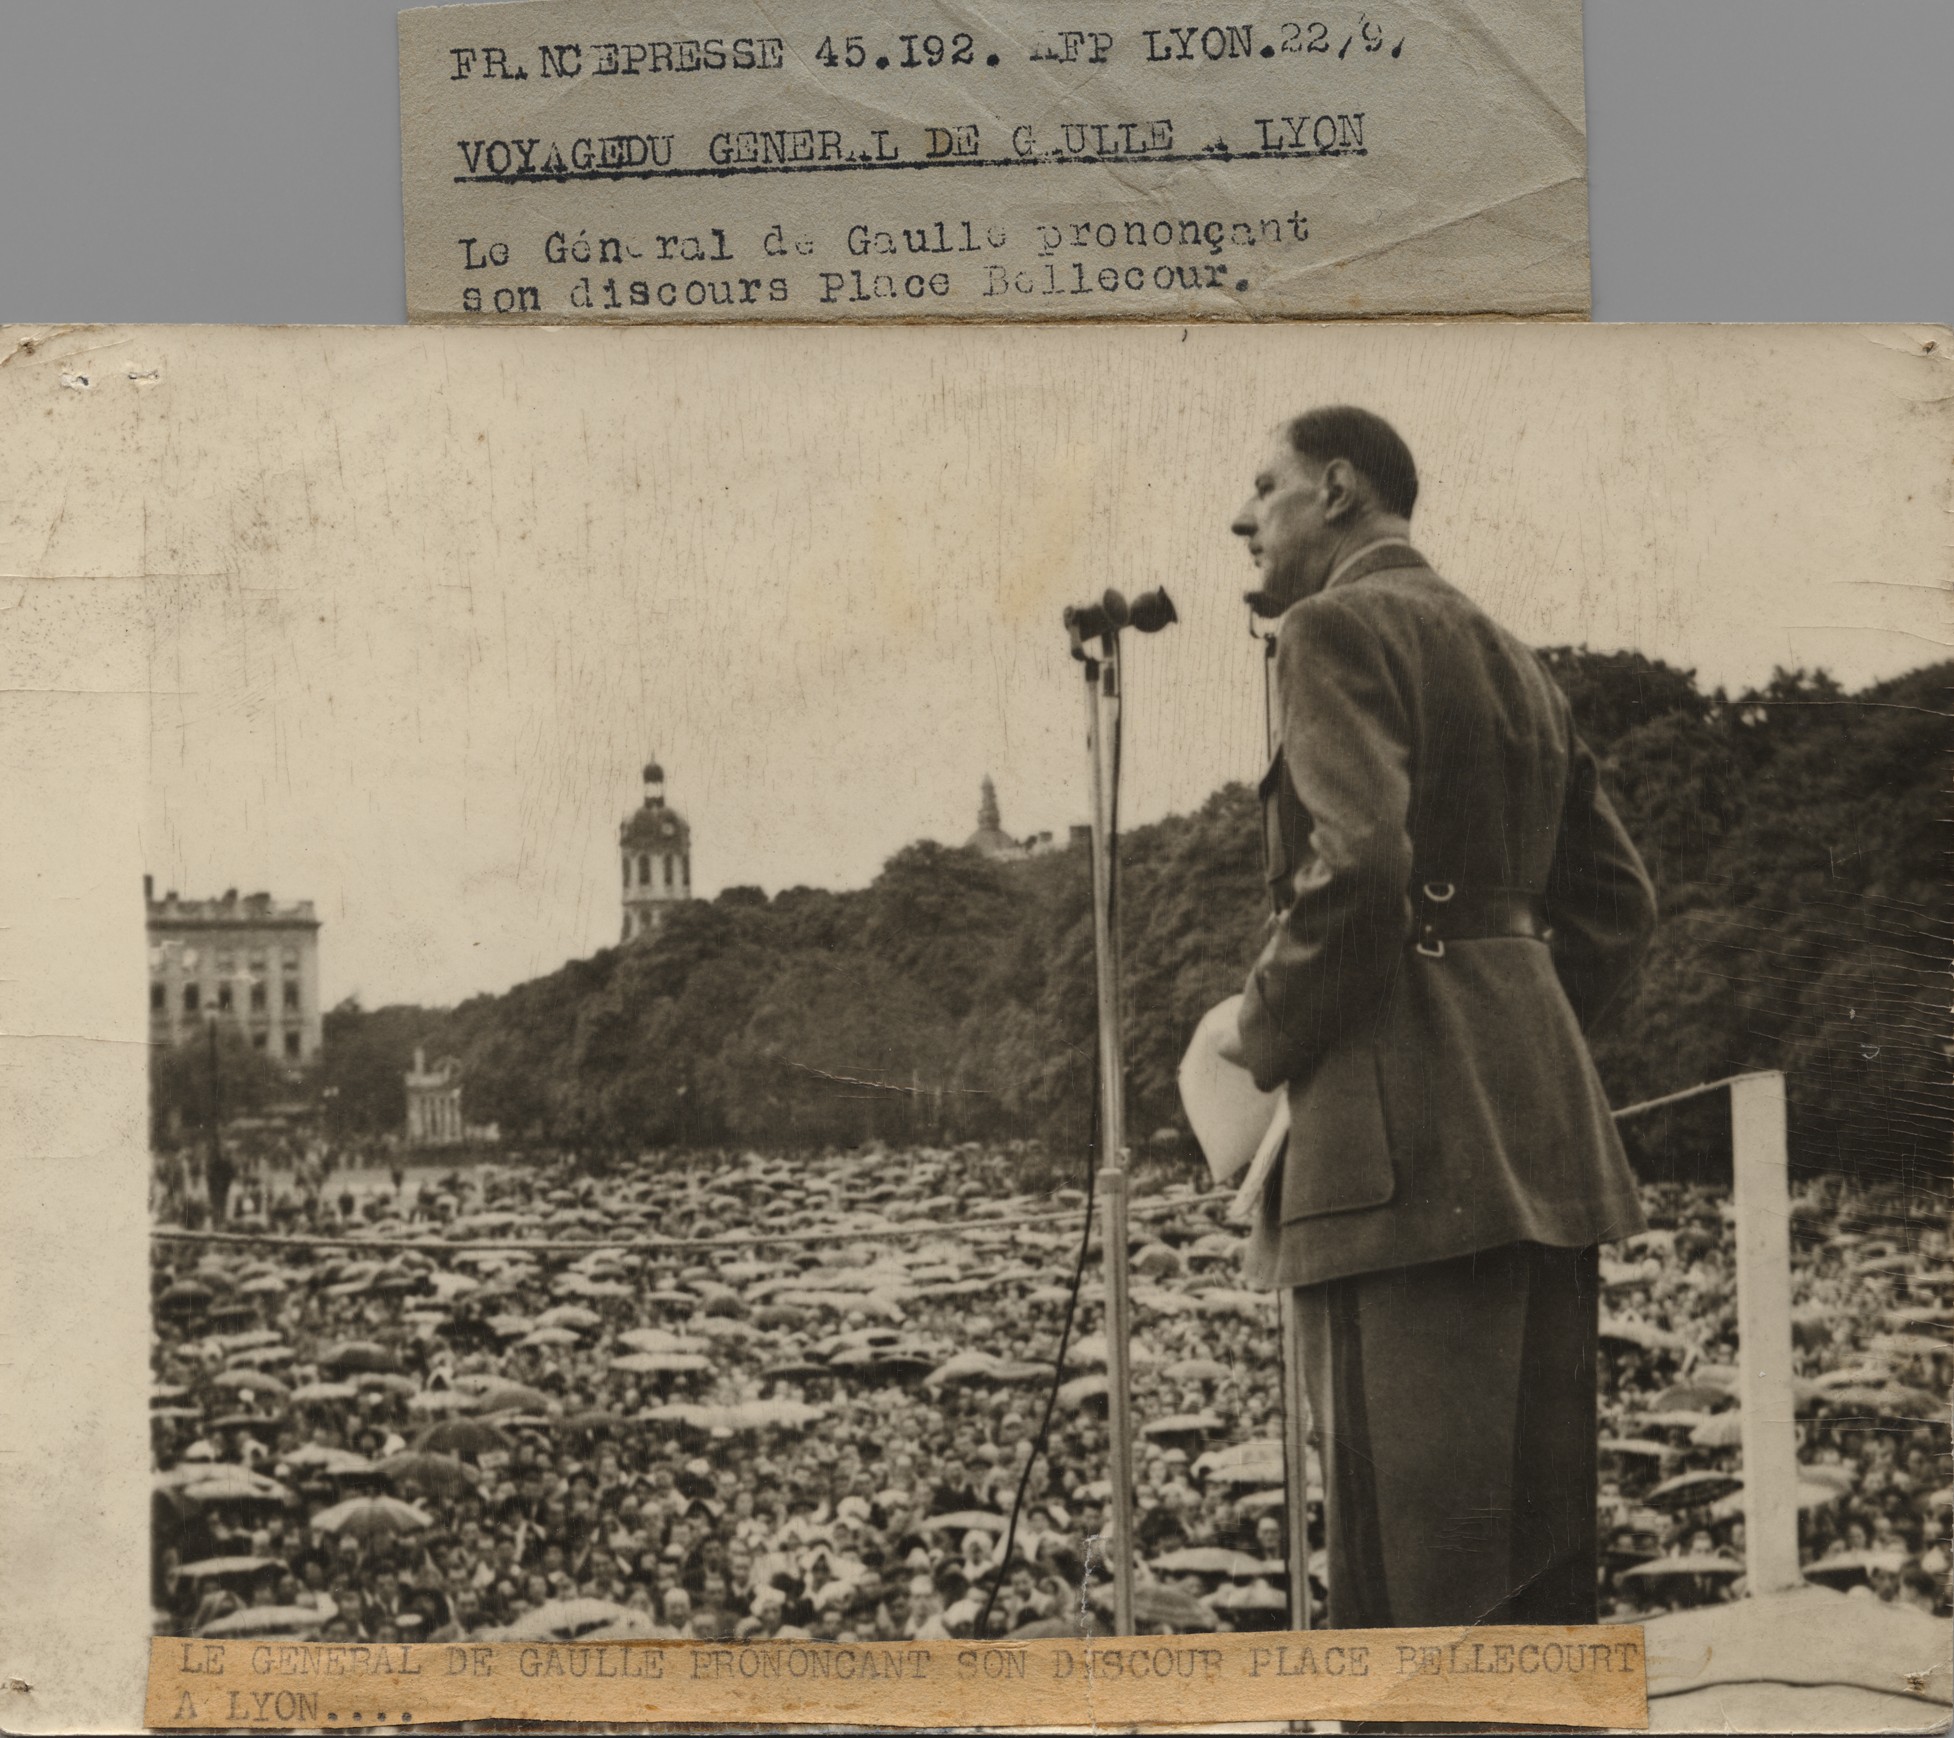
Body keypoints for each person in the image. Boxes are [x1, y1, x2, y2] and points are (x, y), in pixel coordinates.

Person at [1219, 406, 1656, 1629]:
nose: (1243, 518)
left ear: (1341, 488)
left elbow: (1358, 870)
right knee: (1536, 1587)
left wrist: (1255, 1040)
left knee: (1414, 1599)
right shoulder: (1514, 653)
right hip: (1547, 1155)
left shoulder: (1331, 627)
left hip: (1401, 1169)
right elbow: (1618, 908)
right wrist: (1510, 1037)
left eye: (1268, 486)